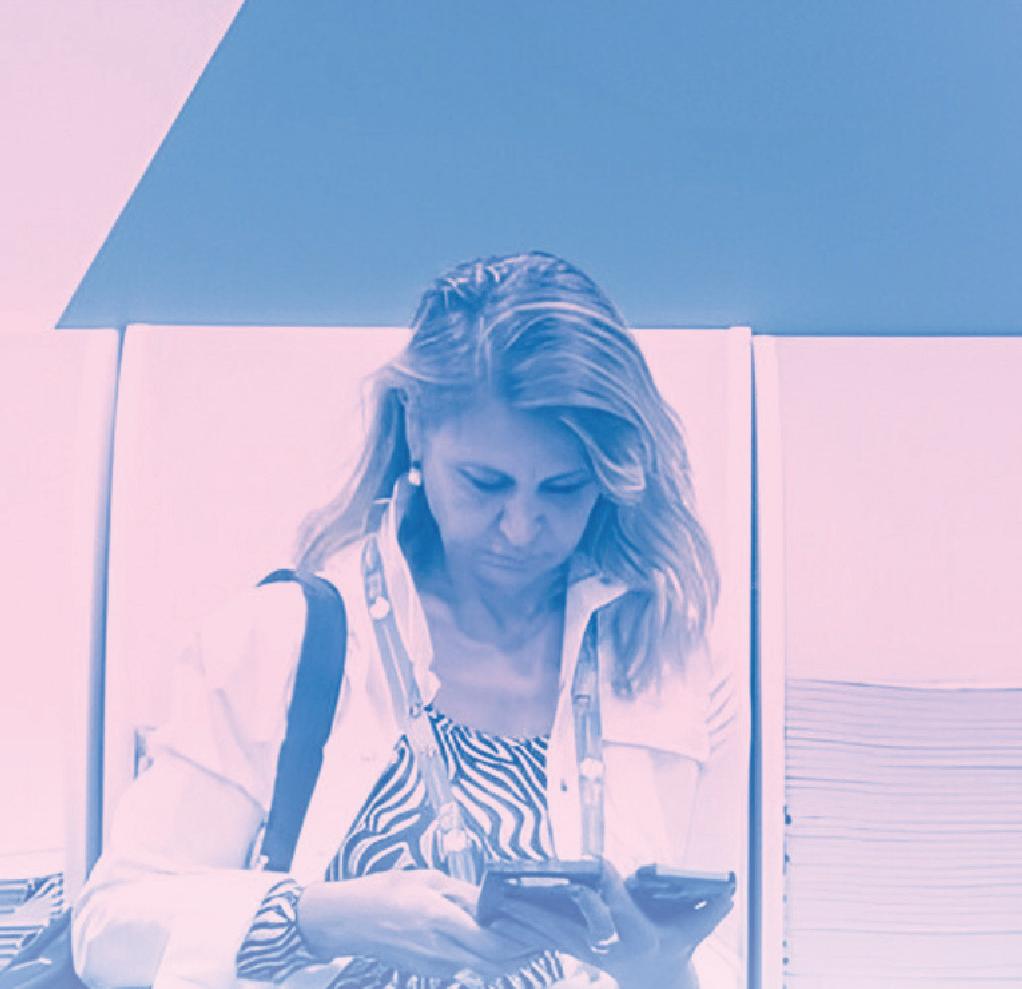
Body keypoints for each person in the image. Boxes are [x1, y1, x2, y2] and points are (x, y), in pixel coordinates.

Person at [72, 251, 740, 989]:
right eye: (485, 483)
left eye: (563, 488)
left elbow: (729, 956)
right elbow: (110, 929)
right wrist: (318, 918)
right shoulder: (282, 639)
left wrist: (661, 969)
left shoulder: (668, 658)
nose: (521, 527)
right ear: (416, 426)